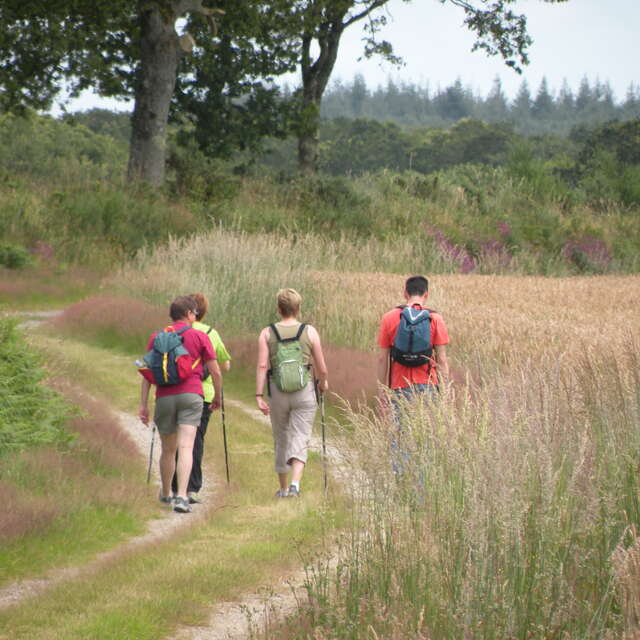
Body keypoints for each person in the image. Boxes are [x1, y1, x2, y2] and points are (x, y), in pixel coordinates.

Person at [139, 295, 222, 514]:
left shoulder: (156, 337)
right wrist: (218, 396)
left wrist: (143, 405)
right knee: (186, 447)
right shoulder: (198, 336)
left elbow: (147, 373)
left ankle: (166, 493)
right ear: (188, 314)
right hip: (192, 395)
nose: (196, 316)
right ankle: (183, 497)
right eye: (194, 312)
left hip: (164, 397)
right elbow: (215, 371)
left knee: (168, 449)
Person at [255, 288, 329, 498]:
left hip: (278, 392)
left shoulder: (267, 333)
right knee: (301, 436)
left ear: (279, 309)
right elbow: (322, 368)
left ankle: (283, 487)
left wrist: (259, 395)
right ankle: (296, 484)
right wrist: (323, 383)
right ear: (298, 308)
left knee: (281, 438)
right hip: (304, 390)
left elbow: (262, 366)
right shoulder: (310, 331)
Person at [171, 292, 231, 503]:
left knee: (176, 440)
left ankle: (175, 486)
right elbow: (224, 364)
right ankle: (190, 487)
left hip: (172, 389)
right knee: (194, 441)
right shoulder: (210, 333)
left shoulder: (173, 330)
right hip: (202, 393)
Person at [377, 275, 450, 407]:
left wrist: (382, 392)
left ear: (405, 293)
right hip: (428, 383)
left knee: (401, 427)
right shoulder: (435, 319)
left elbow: (382, 359)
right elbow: (442, 360)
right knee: (427, 427)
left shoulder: (389, 318)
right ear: (426, 294)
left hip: (399, 384)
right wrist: (445, 393)